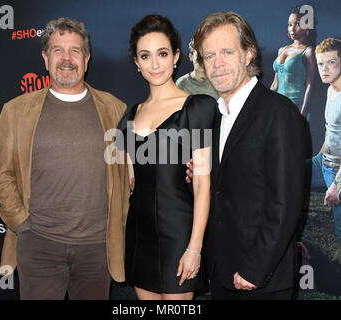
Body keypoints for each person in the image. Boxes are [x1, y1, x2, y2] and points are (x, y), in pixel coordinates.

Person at [0, 17, 130, 300]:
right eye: (57, 50)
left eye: (75, 51)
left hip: (97, 250)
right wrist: (23, 225)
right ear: (45, 57)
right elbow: (0, 175)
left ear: (87, 58)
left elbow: (129, 173)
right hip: (39, 246)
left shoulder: (115, 109)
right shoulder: (15, 111)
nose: (66, 59)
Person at [189, 11, 307, 299]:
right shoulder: (213, 117)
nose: (217, 64)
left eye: (227, 52)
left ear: (248, 54)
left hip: (260, 280)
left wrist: (255, 269)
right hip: (221, 273)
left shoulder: (279, 113)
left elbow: (285, 204)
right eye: (209, 56)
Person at [116, 14, 217, 300]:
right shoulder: (130, 115)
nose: (155, 64)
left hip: (180, 234)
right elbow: (129, 182)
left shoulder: (197, 107)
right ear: (136, 62)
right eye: (145, 56)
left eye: (162, 54)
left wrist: (195, 247)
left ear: (175, 57)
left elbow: (202, 183)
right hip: (139, 235)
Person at [306, 38, 341, 243]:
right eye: (320, 63)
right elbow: (331, 133)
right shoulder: (331, 89)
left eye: (331, 62)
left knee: (339, 235)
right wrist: (317, 160)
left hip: (339, 171)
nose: (324, 69)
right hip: (325, 161)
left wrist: (336, 185)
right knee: (285, 171)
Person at [271, 4, 317, 119]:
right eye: (290, 24)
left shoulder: (308, 51)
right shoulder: (281, 50)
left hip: (295, 107)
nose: (292, 28)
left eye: (297, 24)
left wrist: (303, 114)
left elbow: (310, 85)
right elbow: (275, 83)